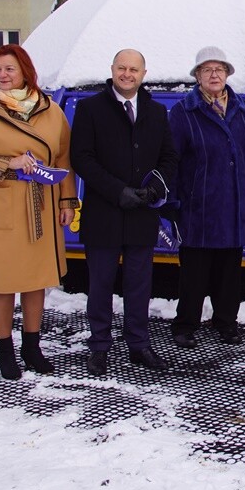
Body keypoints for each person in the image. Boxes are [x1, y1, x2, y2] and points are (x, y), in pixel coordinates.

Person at [0, 44, 78, 380]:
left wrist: (68, 202)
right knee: (4, 282)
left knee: (36, 281)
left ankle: (31, 346)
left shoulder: (50, 110)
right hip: (1, 205)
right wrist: (6, 163)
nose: (2, 76)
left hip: (42, 204)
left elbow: (63, 159)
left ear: (25, 72)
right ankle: (5, 349)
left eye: (9, 69)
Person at [70, 49, 178, 376]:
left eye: (134, 69)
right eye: (122, 68)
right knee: (101, 284)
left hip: (142, 214)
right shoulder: (91, 109)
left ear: (144, 73)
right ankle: (99, 346)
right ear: (112, 69)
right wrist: (118, 191)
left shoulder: (156, 112)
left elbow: (169, 157)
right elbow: (82, 158)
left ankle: (138, 344)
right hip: (104, 213)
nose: (127, 74)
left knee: (139, 286)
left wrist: (154, 188)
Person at [168, 46, 245, 348]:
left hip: (236, 203)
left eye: (219, 69)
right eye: (207, 70)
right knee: (194, 274)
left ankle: (226, 322)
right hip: (198, 207)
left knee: (229, 271)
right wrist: (173, 202)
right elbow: (171, 160)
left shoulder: (241, 109)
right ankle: (185, 324)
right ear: (198, 76)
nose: (214, 75)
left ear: (227, 74)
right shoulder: (183, 112)